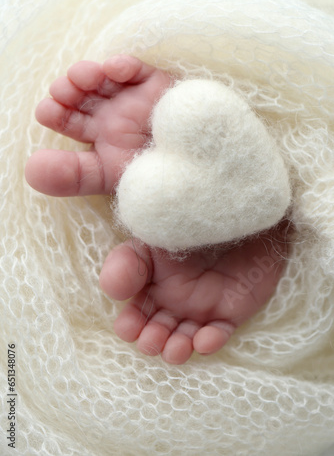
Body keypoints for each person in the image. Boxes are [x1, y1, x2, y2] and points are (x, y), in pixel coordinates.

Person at [25, 54, 290, 365]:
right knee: (191, 120)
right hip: (251, 189)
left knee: (192, 121)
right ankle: (150, 127)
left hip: (261, 190)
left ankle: (150, 132)